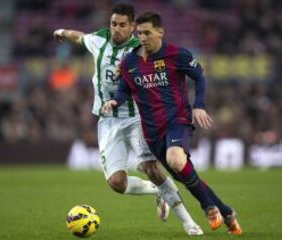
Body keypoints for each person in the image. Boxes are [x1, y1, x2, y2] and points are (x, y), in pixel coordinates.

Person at [53, 2, 204, 236]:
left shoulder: (142, 48)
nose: (117, 29)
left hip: (136, 118)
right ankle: (156, 192)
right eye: (114, 24)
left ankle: (188, 222)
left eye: (123, 25)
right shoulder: (98, 41)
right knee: (117, 183)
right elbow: (79, 36)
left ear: (133, 27)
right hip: (107, 121)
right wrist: (61, 32)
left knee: (151, 168)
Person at [102, 11, 243, 236]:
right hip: (151, 131)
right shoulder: (130, 61)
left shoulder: (176, 54)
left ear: (160, 32)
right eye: (139, 33)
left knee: (175, 160)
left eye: (147, 32)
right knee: (184, 175)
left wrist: (199, 105)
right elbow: (124, 90)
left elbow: (199, 76)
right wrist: (114, 101)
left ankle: (208, 207)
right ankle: (227, 213)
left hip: (177, 120)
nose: (143, 37)